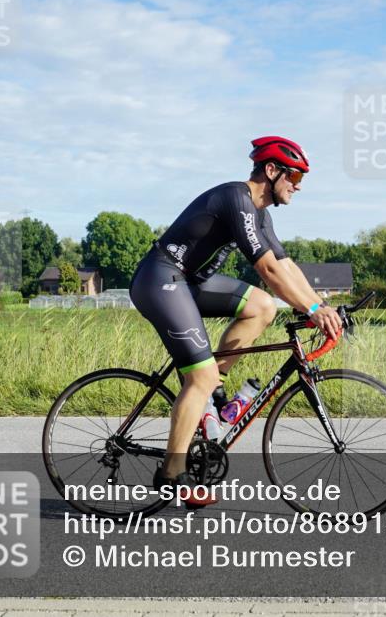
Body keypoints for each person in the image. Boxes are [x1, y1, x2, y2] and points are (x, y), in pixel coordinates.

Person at [129, 136, 343, 506]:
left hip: (189, 283)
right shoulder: (236, 199)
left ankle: (212, 394)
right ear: (271, 170)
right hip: (160, 279)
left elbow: (285, 266)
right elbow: (268, 271)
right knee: (199, 376)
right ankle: (171, 473)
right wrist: (311, 311)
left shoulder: (261, 214)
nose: (298, 186)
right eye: (295, 176)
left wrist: (321, 306)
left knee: (262, 306)